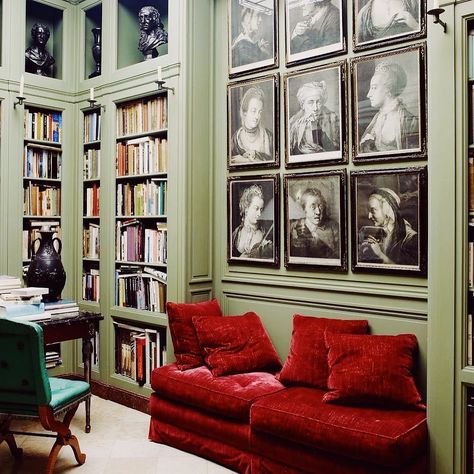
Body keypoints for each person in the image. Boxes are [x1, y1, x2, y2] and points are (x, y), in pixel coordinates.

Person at [360, 61, 419, 153]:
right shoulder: (376, 120)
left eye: (374, 88)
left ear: (388, 88)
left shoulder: (409, 121)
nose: (368, 94)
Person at [359, 187, 418, 266]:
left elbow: (407, 273)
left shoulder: (410, 238)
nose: (369, 216)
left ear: (386, 209)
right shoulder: (381, 233)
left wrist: (379, 254)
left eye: (373, 211)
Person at [288, 81, 339, 156]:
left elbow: (335, 150)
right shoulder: (293, 123)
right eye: (310, 102)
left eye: (318, 102)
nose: (315, 108)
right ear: (302, 105)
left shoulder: (333, 118)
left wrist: (314, 125)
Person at [290, 187, 339, 259]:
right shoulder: (293, 226)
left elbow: (339, 258)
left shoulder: (333, 227)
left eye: (320, 206)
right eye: (313, 207)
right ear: (303, 208)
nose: (318, 212)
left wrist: (317, 243)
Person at [231, 87, 273, 164]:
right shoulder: (235, 140)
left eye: (259, 112)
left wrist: (248, 160)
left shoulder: (269, 138)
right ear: (245, 112)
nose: (257, 116)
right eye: (253, 111)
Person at [232, 184, 273, 259]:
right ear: (246, 208)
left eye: (261, 209)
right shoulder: (235, 234)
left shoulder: (266, 235)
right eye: (256, 208)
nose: (259, 214)